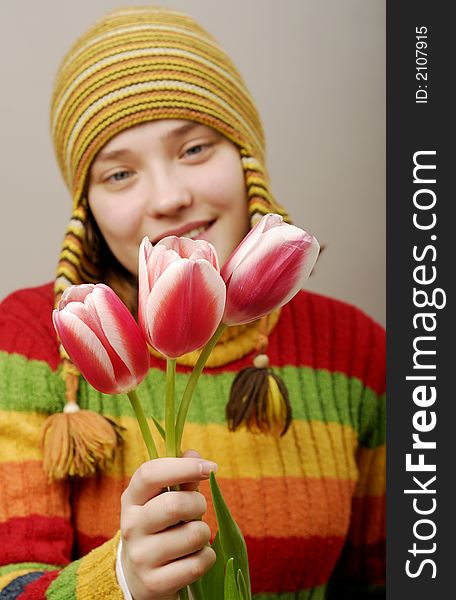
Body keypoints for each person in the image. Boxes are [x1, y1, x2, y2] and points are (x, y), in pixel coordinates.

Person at [0, 6, 385, 599]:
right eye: (119, 174)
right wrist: (122, 580)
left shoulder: (355, 346)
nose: (170, 198)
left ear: (246, 156)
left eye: (196, 149)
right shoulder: (34, 337)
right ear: (87, 209)